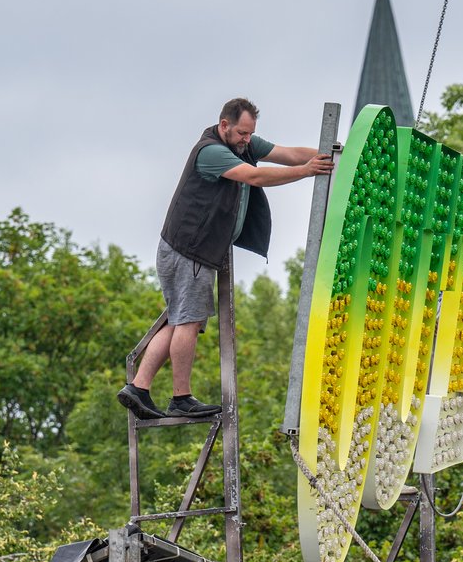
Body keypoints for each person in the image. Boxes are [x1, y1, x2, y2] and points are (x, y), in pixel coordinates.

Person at [119, 97, 335, 419]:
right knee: (188, 322)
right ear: (225, 126)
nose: (247, 140)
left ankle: (138, 387)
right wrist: (306, 172)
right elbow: (255, 177)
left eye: (250, 134)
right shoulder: (211, 152)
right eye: (242, 133)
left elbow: (287, 153)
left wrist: (330, 158)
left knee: (180, 319)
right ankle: (181, 397)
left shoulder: (242, 143)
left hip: (189, 252)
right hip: (188, 250)